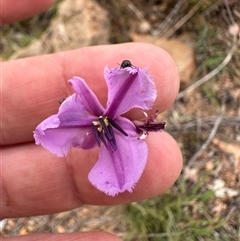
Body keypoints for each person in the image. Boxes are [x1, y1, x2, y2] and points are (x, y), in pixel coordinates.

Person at [0, 0, 183, 240]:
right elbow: (49, 130)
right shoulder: (93, 119)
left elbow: (130, 76)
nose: (103, 124)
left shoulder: (126, 87)